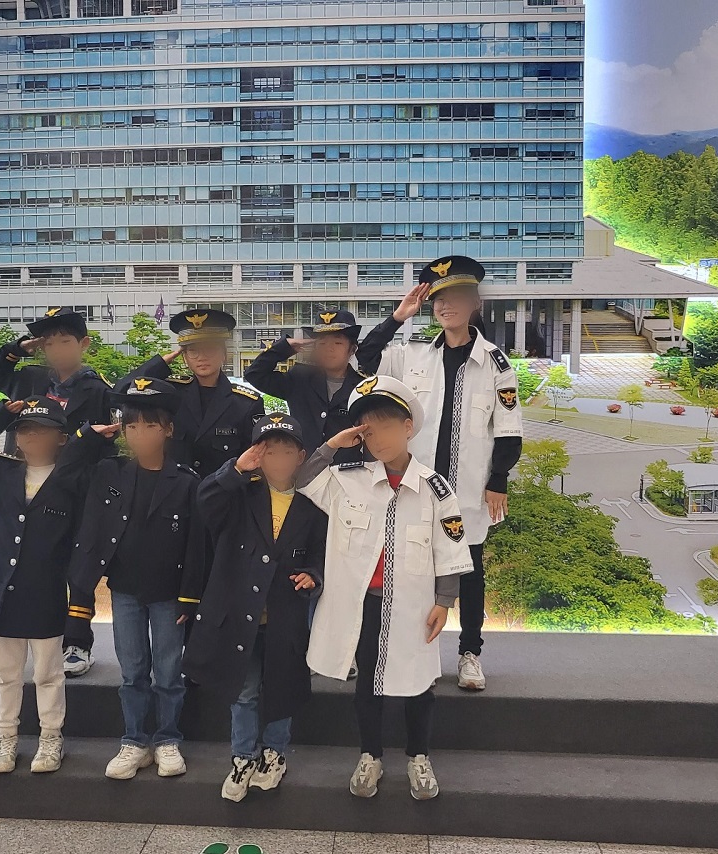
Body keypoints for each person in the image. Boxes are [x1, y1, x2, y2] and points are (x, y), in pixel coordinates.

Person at [297, 375, 474, 800]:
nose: (378, 439)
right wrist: (332, 445)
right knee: (367, 684)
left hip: (414, 606)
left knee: (419, 683)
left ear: (408, 427)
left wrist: (444, 600)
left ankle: (418, 756)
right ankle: (370, 755)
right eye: (368, 430)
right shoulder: (348, 479)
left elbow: (448, 547)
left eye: (387, 426)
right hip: (365, 606)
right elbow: (301, 479)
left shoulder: (435, 489)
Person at [356, 257, 524, 692]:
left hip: (468, 489)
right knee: (413, 569)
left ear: (475, 303)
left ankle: (470, 653)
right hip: (419, 487)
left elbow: (508, 428)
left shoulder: (496, 363)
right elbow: (364, 359)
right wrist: (397, 317)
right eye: (439, 300)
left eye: (456, 298)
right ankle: (416, 654)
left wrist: (498, 480)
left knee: (469, 570)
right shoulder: (413, 355)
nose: (447, 307)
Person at [0, 396, 117, 775]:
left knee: (48, 673)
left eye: (43, 431)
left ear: (61, 438)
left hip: (46, 592)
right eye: (25, 430)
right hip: (1, 592)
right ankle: (5, 737)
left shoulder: (73, 480)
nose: (33, 437)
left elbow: (103, 475)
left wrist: (89, 438)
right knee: (6, 673)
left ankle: (51, 737)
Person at [183, 413, 326, 802]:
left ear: (301, 456)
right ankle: (242, 756)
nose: (278, 460)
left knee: (281, 688)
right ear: (256, 455)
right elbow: (205, 502)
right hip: (239, 616)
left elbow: (321, 551)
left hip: (285, 615)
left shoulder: (313, 502)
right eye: (269, 451)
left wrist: (313, 574)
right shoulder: (240, 494)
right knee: (244, 692)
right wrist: (235, 469)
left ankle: (274, 753)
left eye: (286, 451)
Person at [69, 374, 206, 781]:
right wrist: (88, 435)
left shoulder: (186, 481)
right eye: (131, 426)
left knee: (168, 673)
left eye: (150, 425)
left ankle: (167, 740)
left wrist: (190, 596)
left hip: (169, 594)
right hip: (125, 590)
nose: (140, 434)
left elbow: (196, 545)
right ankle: (134, 741)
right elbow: (67, 468)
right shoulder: (109, 472)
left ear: (168, 430)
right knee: (132, 672)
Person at [0, 306, 114, 679]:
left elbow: (105, 445)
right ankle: (34, 637)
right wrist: (18, 349)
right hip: (25, 485)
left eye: (65, 342)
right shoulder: (31, 379)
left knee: (77, 569)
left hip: (73, 492)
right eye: (49, 343)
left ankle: (77, 643)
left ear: (83, 344)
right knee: (28, 565)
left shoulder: (98, 390)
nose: (57, 350)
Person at [130, 308, 264, 478]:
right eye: (193, 351)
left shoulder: (247, 403)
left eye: (209, 348)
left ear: (224, 354)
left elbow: (255, 462)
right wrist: (160, 364)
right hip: (174, 491)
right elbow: (122, 392)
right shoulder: (171, 393)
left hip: (224, 492)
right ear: (184, 357)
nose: (201, 357)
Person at [242, 308, 365, 463]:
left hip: (347, 471)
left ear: (352, 349)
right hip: (303, 470)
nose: (329, 348)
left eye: (338, 342)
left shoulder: (363, 387)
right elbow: (255, 374)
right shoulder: (300, 378)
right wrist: (283, 348)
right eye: (322, 343)